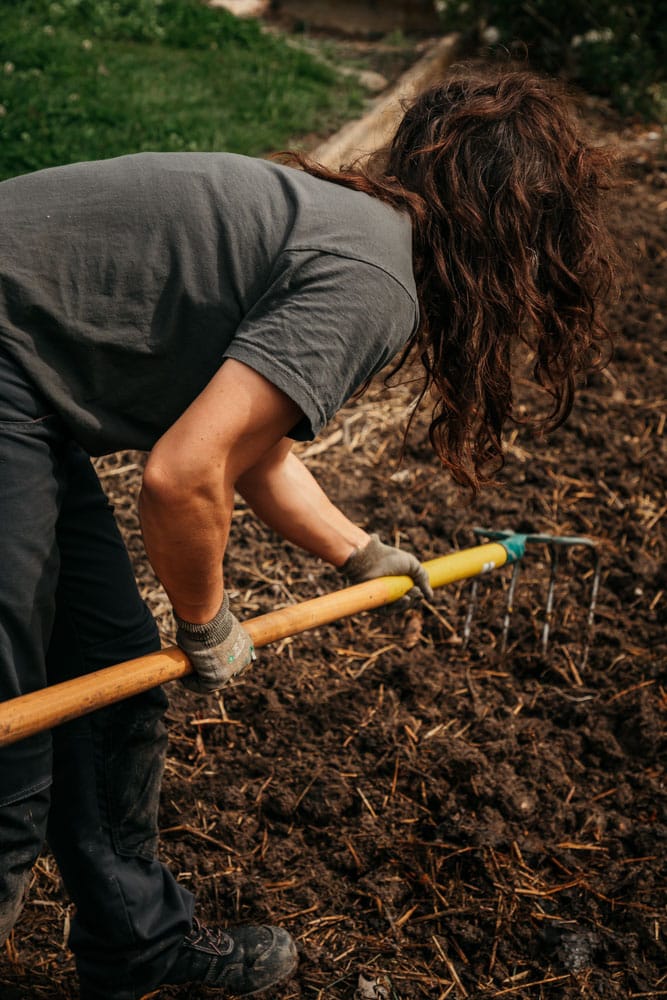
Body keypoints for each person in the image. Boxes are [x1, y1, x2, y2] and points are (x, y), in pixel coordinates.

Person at [0, 65, 617, 999]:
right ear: (508, 237)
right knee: (13, 732)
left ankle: (136, 949)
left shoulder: (347, 225)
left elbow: (247, 447)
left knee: (103, 679)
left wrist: (357, 552)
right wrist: (206, 622)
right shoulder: (376, 280)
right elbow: (180, 475)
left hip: (24, 391)